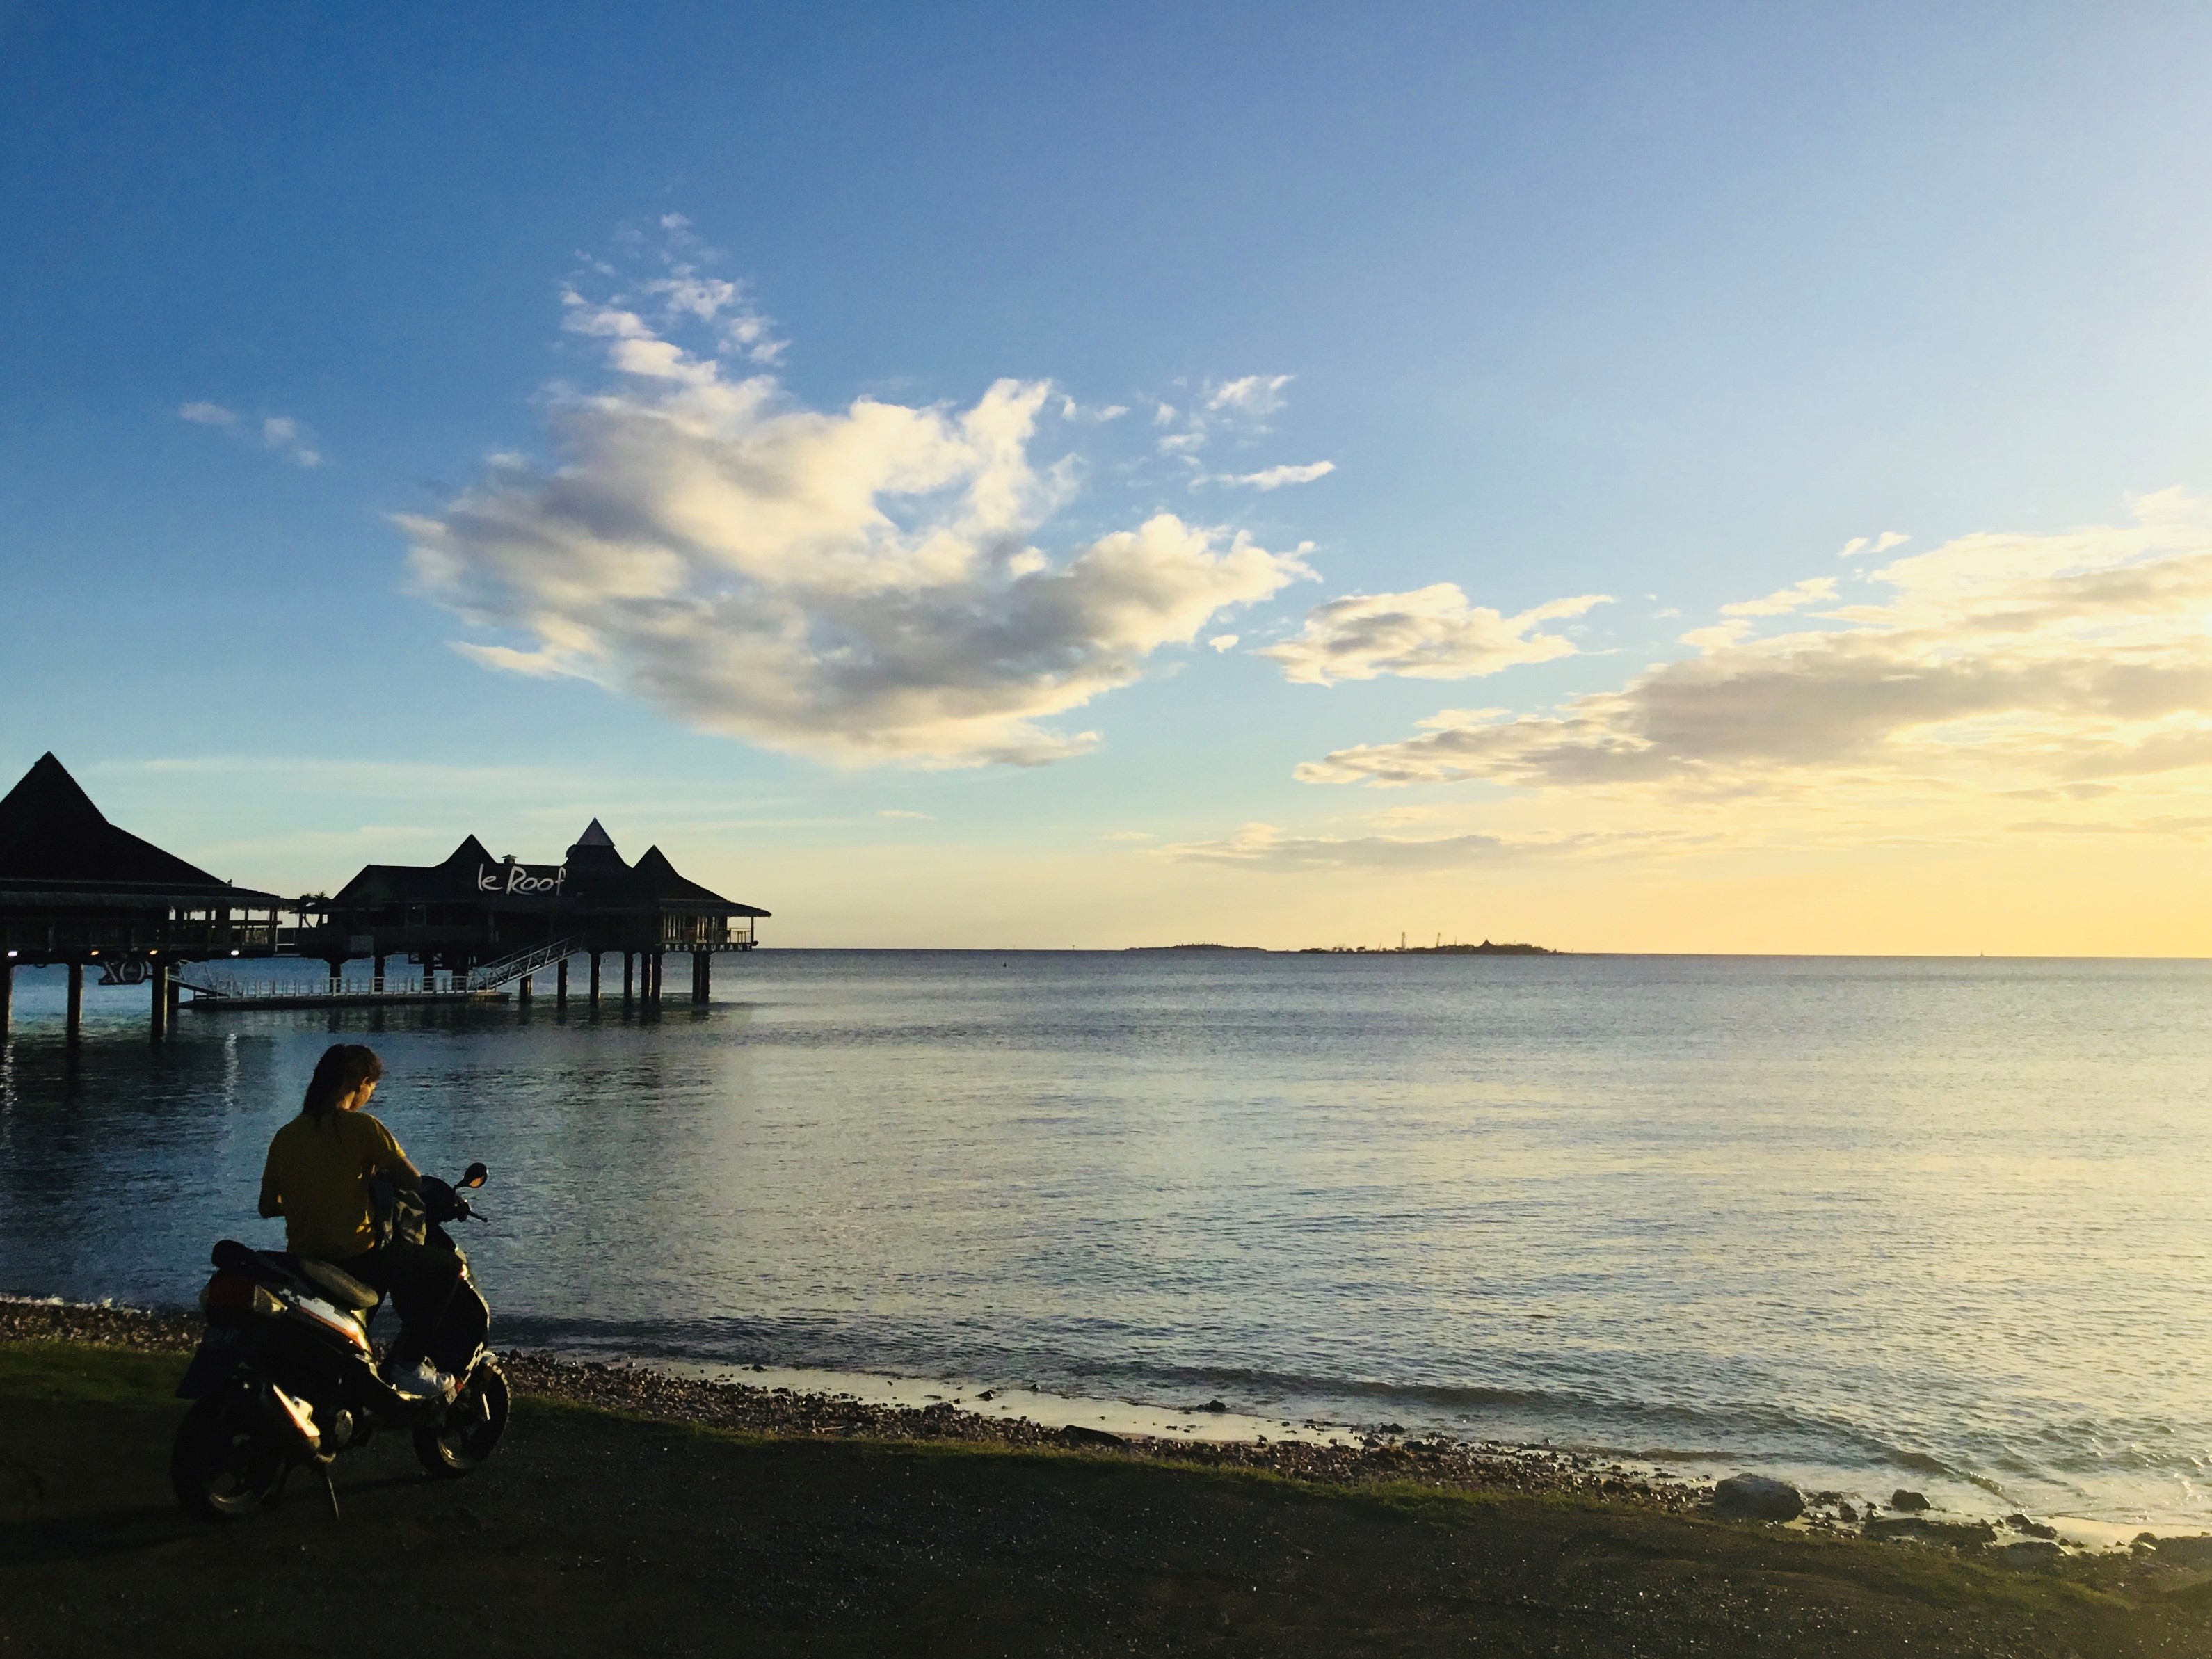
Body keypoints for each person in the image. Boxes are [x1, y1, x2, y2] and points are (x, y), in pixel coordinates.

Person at [258, 1043, 464, 1397]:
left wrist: (314, 1198)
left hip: (306, 1260)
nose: (369, 1096)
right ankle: (407, 1364)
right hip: (357, 1259)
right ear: (362, 1082)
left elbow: (268, 1206)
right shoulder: (363, 1128)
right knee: (447, 1268)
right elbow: (412, 1181)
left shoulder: (286, 1136)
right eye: (371, 1088)